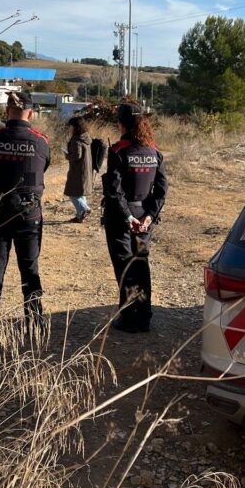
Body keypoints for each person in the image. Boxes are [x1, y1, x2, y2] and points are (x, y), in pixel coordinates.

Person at [0, 91, 50, 322]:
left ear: (8, 111)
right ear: (31, 112)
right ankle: (34, 318)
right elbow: (43, 169)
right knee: (29, 267)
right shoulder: (40, 141)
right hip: (28, 215)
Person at [101, 102, 168, 333]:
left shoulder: (118, 151)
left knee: (125, 265)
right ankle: (144, 315)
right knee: (141, 264)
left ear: (121, 124)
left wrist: (128, 217)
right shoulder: (155, 151)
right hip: (145, 217)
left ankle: (129, 316)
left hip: (122, 219)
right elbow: (161, 190)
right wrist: (149, 216)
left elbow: (114, 190)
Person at [62, 116, 93, 223]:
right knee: (79, 193)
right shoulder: (86, 137)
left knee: (72, 193)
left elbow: (76, 156)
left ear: (76, 127)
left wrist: (67, 155)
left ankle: (84, 209)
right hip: (86, 170)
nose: (69, 128)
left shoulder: (76, 140)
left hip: (78, 171)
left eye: (71, 126)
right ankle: (80, 215)